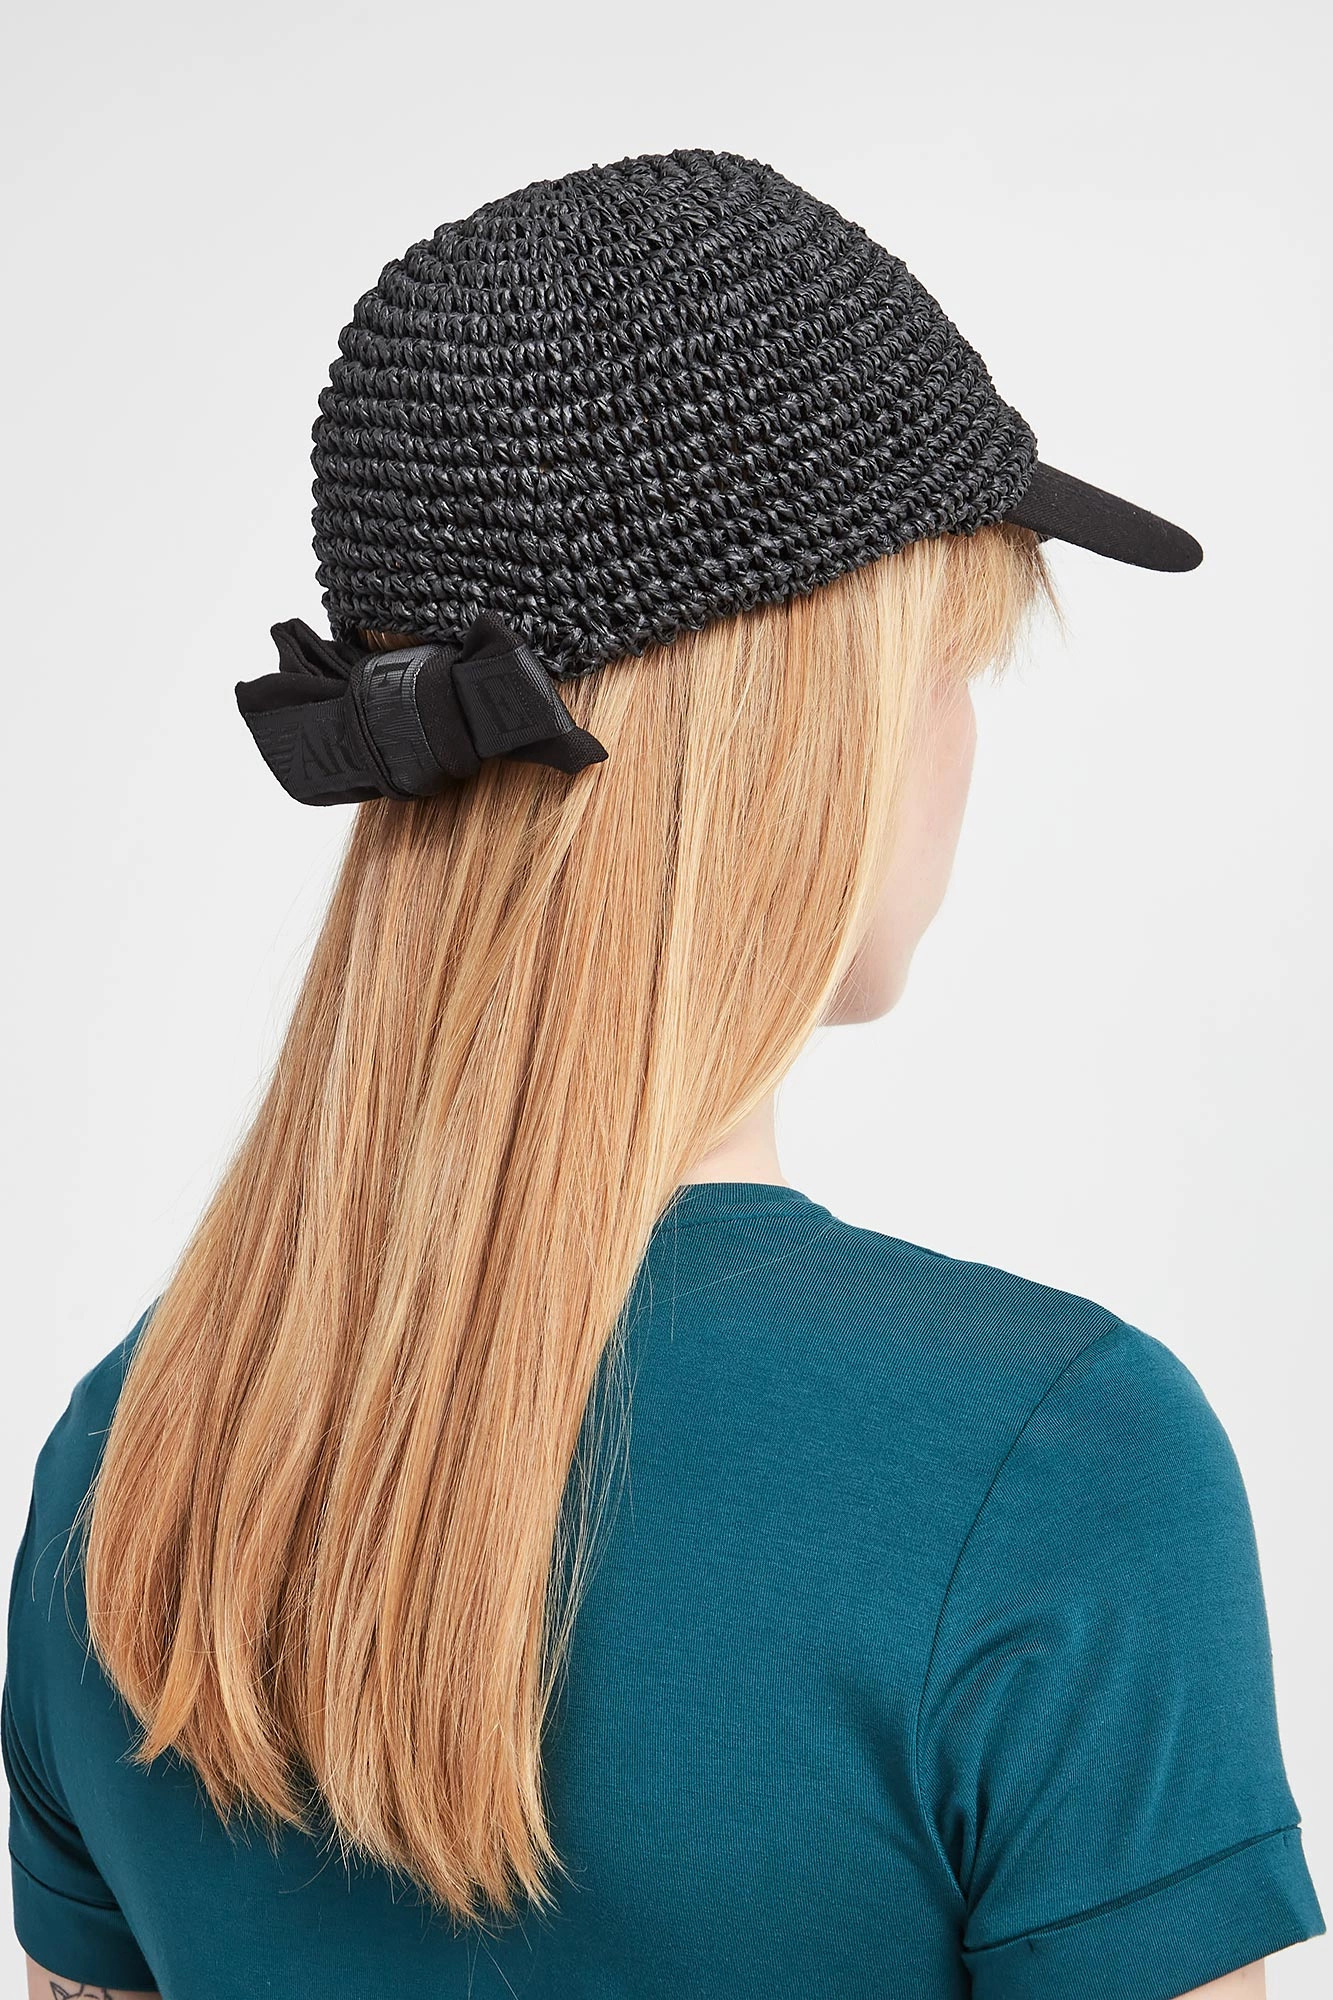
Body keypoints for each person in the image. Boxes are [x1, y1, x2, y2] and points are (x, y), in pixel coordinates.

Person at [4, 149, 1324, 2000]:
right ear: (822, 733)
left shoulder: (138, 1458)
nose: (964, 744)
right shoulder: (1058, 1467)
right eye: (953, 669)